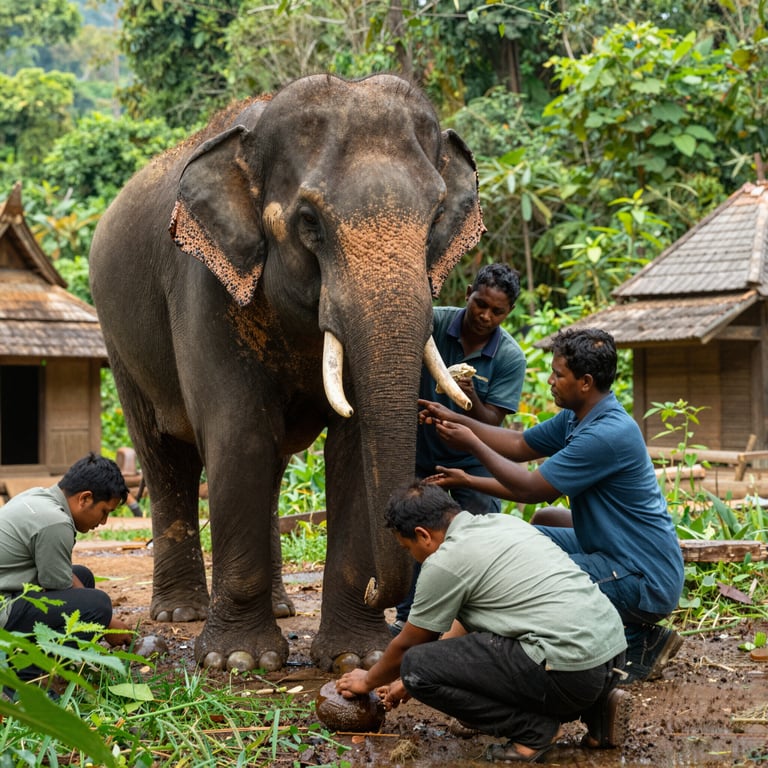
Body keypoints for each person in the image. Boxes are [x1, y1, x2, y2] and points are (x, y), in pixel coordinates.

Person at [418, 327, 685, 684]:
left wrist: (472, 446)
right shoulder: (579, 416)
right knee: (533, 534)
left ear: (586, 382)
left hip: (643, 578)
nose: (550, 380)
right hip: (616, 552)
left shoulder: (606, 434)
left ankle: (633, 642)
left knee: (530, 581)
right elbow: (518, 444)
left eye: (559, 375)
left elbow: (532, 488)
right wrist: (456, 420)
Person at [337, 482, 629, 762]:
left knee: (416, 665)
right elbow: (465, 631)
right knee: (423, 668)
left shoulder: (445, 561)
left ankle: (533, 733)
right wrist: (405, 684)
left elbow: (409, 646)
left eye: (407, 548)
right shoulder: (504, 524)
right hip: (611, 655)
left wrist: (369, 680)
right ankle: (598, 710)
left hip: (569, 671)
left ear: (423, 535)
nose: (412, 556)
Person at [391, 263, 526, 634]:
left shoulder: (509, 356)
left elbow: (492, 423)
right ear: (468, 292)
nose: (485, 315)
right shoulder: (432, 322)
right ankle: (410, 617)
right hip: (421, 451)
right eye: (480, 304)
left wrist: (471, 398)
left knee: (478, 530)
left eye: (497, 311)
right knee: (416, 528)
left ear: (509, 312)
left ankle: (469, 618)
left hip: (471, 458)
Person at [0, 453, 134, 691]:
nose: (103, 522)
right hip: (4, 608)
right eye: (104, 511)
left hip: (10, 593)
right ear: (85, 498)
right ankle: (29, 679)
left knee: (83, 576)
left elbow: (63, 580)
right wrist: (108, 624)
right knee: (98, 605)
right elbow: (60, 587)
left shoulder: (38, 497)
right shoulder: (55, 522)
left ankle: (48, 664)